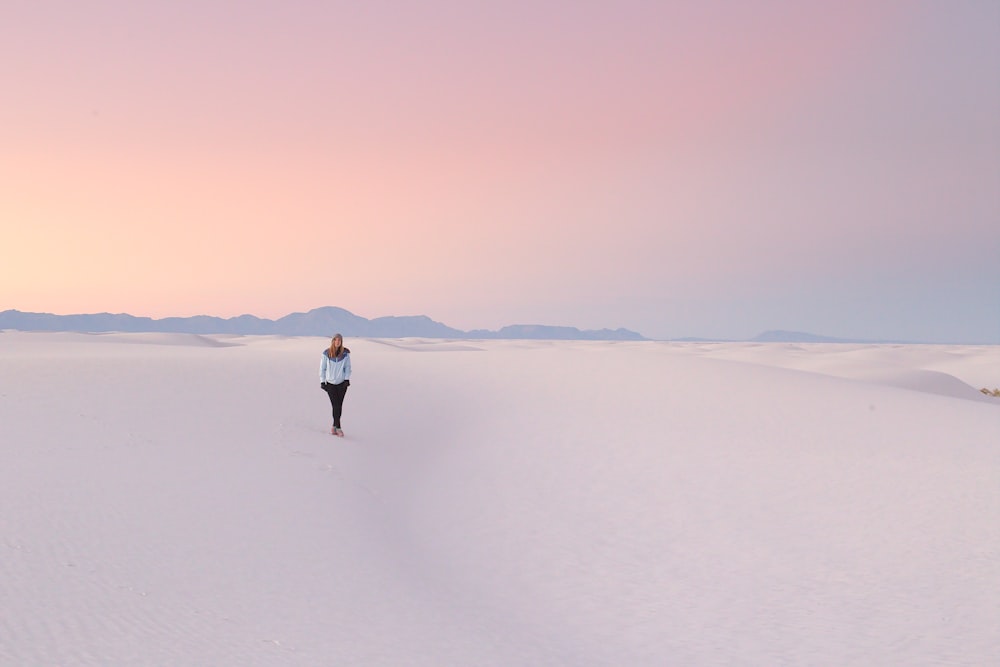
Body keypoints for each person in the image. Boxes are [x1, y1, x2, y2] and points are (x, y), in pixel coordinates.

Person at [319, 333, 351, 436]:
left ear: (341, 342)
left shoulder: (345, 354)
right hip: (330, 384)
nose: (337, 342)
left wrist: (346, 380)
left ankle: (334, 426)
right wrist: (322, 381)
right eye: (336, 340)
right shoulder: (326, 353)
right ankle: (338, 427)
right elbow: (322, 368)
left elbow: (348, 368)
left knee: (339, 405)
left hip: (342, 384)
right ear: (333, 341)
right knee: (335, 405)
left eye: (339, 340)